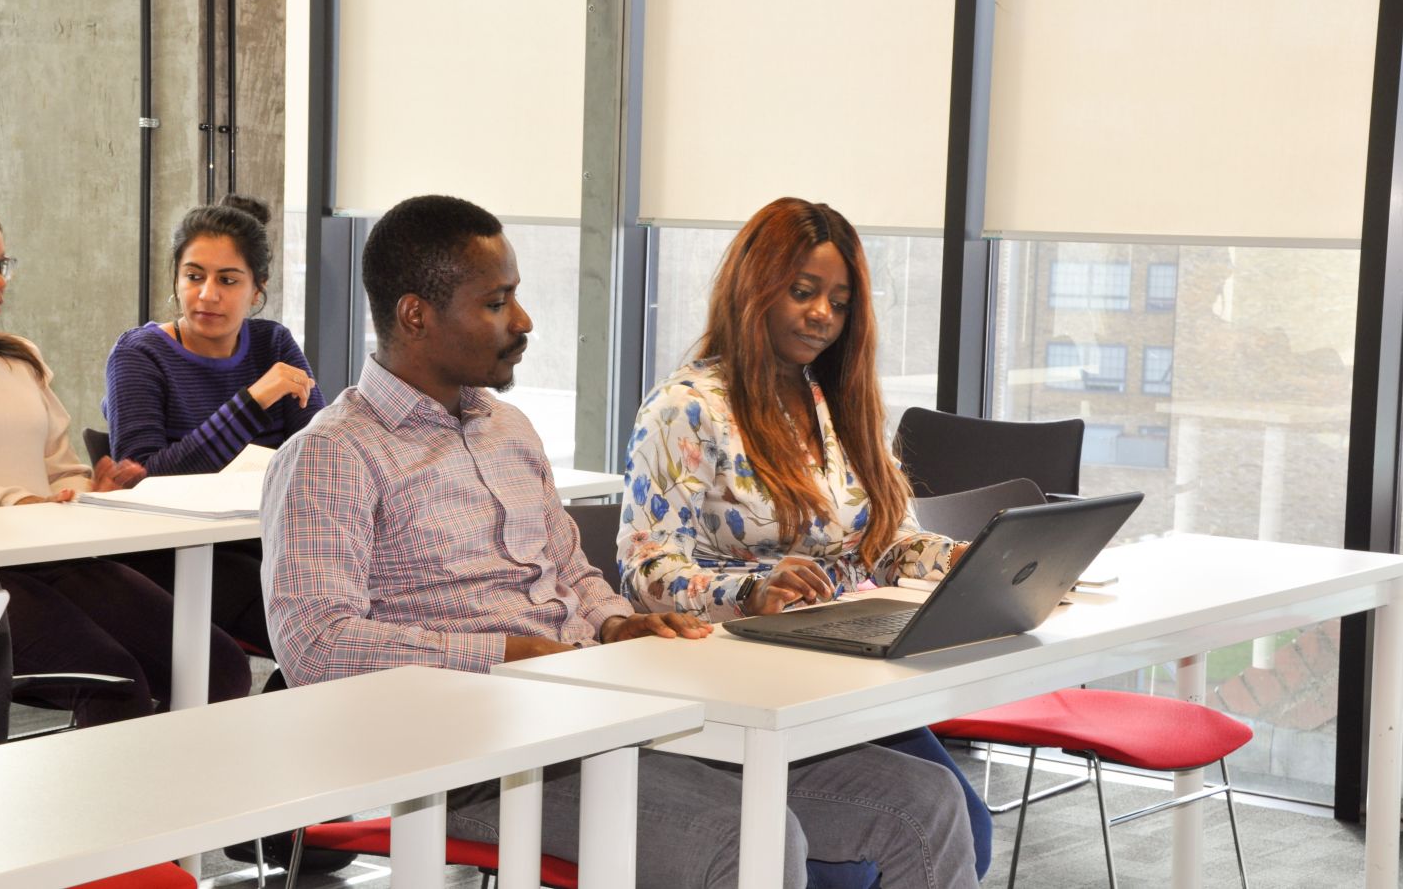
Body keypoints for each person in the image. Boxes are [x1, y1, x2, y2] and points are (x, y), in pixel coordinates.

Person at [261, 194, 979, 889]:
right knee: (751, 837)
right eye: (496, 302)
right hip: (475, 754)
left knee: (928, 807)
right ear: (415, 317)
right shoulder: (335, 453)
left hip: (595, 710)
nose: (525, 319)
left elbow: (573, 570)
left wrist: (615, 620)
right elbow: (317, 645)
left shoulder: (508, 430)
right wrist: (511, 657)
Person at [619, 196, 991, 878]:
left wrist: (970, 563)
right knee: (926, 824)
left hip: (840, 666)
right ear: (752, 286)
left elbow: (886, 542)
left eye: (839, 301)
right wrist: (753, 591)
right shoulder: (687, 407)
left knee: (968, 824)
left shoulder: (831, 399)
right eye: (802, 292)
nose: (823, 314)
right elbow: (647, 574)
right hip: (737, 681)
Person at [0, 191, 251, 725]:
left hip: (55, 555)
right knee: (117, 683)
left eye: (2, 265)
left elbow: (58, 465)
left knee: (220, 669)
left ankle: (180, 798)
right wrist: (16, 500)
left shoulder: (17, 358)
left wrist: (89, 487)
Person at [103, 195, 322, 656]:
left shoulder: (273, 343)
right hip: (170, 554)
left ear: (257, 289)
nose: (207, 295)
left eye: (228, 280)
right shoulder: (140, 354)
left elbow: (318, 458)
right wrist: (253, 400)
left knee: (369, 612)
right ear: (176, 278)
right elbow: (144, 477)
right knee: (324, 634)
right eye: (194, 276)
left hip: (268, 540)